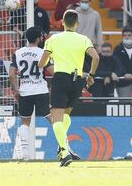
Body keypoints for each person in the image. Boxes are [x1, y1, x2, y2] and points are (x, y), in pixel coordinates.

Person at [38, 10, 99, 166]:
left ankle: (64, 152)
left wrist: (47, 61)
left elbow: (42, 64)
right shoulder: (84, 39)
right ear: (77, 24)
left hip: (61, 78)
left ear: (62, 22)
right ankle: (64, 147)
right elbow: (96, 57)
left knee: (56, 118)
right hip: (77, 80)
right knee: (66, 116)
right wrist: (91, 74)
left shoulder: (54, 39)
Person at [9, 26, 52, 160]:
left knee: (25, 123)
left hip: (25, 91)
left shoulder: (18, 53)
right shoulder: (43, 53)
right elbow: (53, 71)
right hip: (40, 89)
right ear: (39, 38)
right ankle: (65, 144)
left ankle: (25, 154)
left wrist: (16, 90)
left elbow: (11, 75)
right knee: (50, 117)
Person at [113, 26, 132, 97]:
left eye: (129, 35)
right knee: (124, 103)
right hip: (123, 80)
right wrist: (125, 74)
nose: (126, 37)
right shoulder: (117, 49)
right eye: (124, 35)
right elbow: (117, 65)